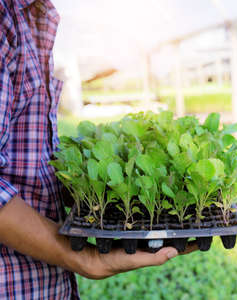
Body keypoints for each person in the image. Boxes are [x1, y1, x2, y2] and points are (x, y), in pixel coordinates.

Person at [0, 1, 196, 298]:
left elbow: (22, 158)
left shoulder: (32, 16)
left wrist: (98, 191)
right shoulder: (5, 14)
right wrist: (79, 256)